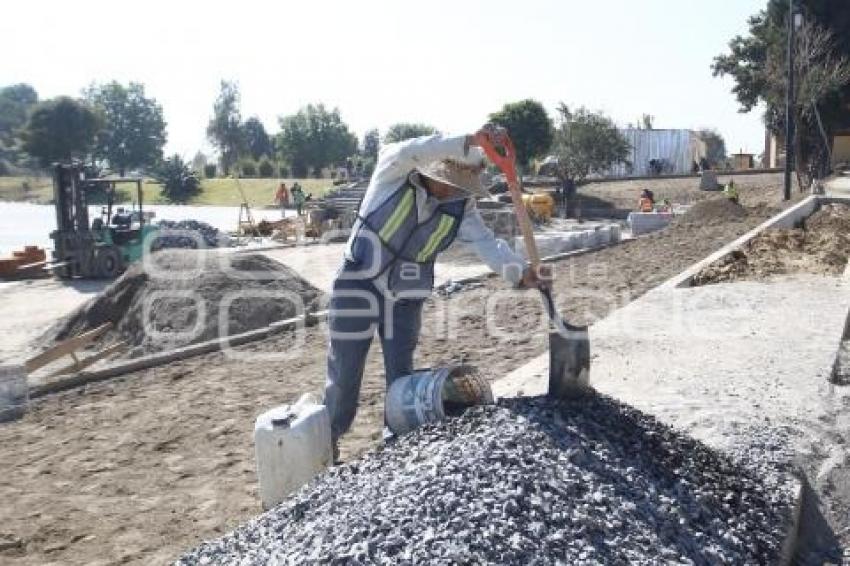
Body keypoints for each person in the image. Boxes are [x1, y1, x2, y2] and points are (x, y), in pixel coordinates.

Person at [323, 127, 548, 460]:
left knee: (401, 376)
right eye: (449, 181)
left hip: (404, 298)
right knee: (344, 376)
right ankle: (327, 441)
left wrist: (520, 272)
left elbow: (486, 243)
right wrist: (469, 140)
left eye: (461, 186)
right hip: (358, 283)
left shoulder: (460, 204)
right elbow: (409, 148)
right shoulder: (394, 172)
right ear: (432, 167)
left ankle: (393, 446)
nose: (452, 192)